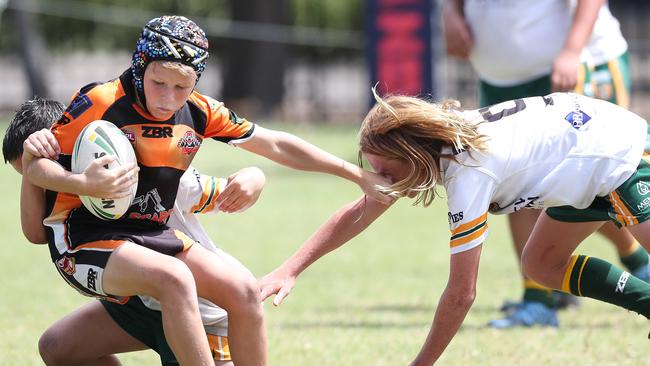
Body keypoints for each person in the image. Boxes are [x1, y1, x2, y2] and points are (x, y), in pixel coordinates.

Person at [21, 16, 389, 366]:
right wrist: (83, 184)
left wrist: (355, 174)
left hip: (152, 236)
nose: (168, 98)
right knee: (174, 278)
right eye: (158, 83)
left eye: (182, 87)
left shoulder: (199, 111)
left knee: (243, 291)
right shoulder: (98, 102)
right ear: (139, 67)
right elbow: (38, 165)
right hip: (84, 240)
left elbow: (275, 144)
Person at [259, 91, 650, 365]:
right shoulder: (442, 142)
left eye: (386, 171)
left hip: (623, 154)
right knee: (542, 263)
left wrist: (420, 363)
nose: (380, 180)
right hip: (586, 167)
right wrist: (291, 267)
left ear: (411, 154)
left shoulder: (468, 170)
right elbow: (361, 209)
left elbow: (462, 294)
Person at [3, 97, 264, 365]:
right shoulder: (73, 208)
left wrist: (255, 175)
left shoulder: (151, 173)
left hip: (201, 314)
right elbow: (35, 232)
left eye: (40, 177)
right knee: (56, 346)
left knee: (173, 281)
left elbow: (223, 192)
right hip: (144, 305)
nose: (41, 189)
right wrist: (32, 164)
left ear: (75, 150)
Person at [442, 0, 647, 328]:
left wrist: (571, 49)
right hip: (502, 77)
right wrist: (451, 13)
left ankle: (636, 262)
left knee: (598, 176)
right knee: (516, 182)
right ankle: (539, 296)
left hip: (573, 67)